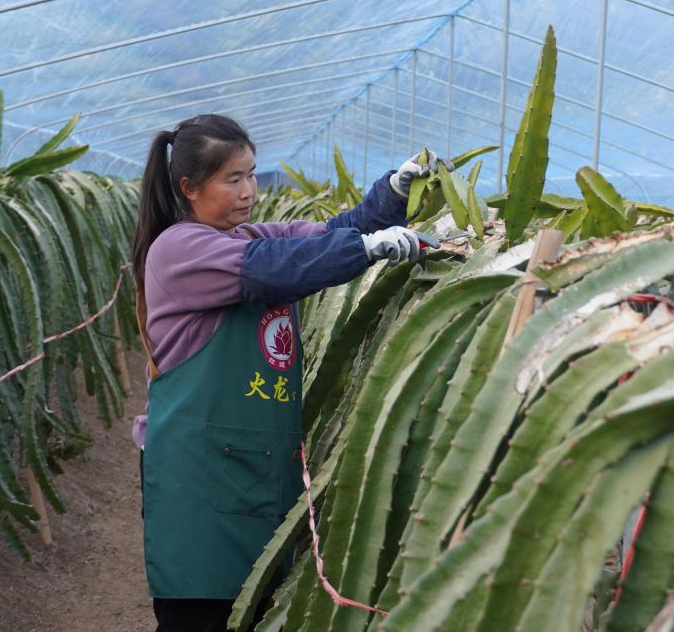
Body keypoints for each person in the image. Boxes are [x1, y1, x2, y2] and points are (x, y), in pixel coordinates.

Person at [129, 114, 447, 632]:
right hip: (197, 473)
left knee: (253, 609)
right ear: (188, 187)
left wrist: (391, 193)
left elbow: (327, 235)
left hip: (251, 463)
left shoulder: (249, 235)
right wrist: (367, 251)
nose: (249, 191)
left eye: (252, 174)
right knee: (200, 615)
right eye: (233, 178)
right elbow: (276, 268)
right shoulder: (179, 249)